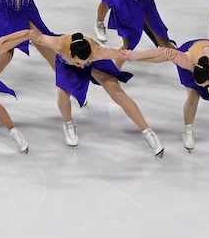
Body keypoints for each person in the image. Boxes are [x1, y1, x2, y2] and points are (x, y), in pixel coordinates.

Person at [31, 31, 167, 156]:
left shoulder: (97, 52)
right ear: (71, 53)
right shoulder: (58, 44)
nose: (82, 67)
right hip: (66, 65)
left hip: (93, 63)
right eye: (79, 63)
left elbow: (126, 54)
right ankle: (68, 123)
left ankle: (147, 131)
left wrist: (147, 54)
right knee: (62, 93)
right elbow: (35, 36)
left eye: (85, 62)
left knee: (116, 91)